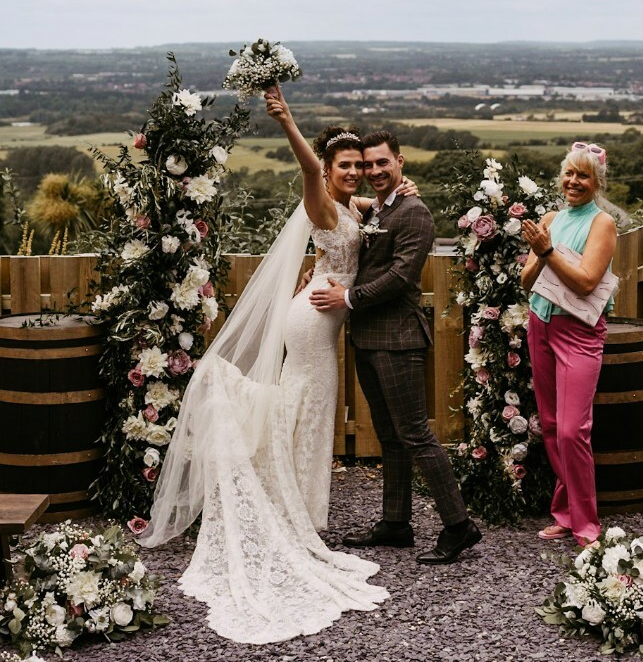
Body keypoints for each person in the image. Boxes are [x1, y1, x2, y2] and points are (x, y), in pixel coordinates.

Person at [140, 84, 391, 643]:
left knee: (307, 408)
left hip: (322, 309)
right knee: (307, 404)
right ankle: (292, 518)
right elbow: (308, 169)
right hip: (312, 321)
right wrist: (287, 120)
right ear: (327, 170)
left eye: (356, 166)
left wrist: (395, 192)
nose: (352, 172)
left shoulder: (353, 205)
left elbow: (371, 214)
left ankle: (297, 512)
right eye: (342, 165)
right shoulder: (320, 197)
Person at [309, 130, 482, 565]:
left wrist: (347, 298)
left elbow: (402, 277)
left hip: (400, 340)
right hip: (367, 337)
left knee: (416, 435)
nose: (373, 171)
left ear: (400, 162)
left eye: (382, 163)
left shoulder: (415, 213)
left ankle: (459, 526)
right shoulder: (380, 207)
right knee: (389, 437)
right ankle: (396, 523)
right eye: (367, 165)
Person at [521, 141, 617, 545]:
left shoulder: (603, 223)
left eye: (583, 175)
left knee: (573, 430)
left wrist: (547, 252)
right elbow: (526, 281)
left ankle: (587, 522)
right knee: (551, 425)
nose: (574, 181)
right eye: (569, 174)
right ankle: (564, 512)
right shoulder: (550, 217)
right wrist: (539, 253)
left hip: (578, 332)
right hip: (540, 324)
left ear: (597, 182)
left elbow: (586, 281)